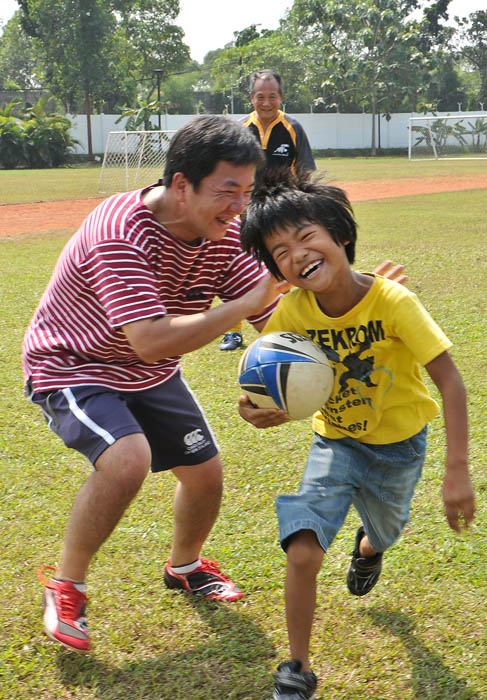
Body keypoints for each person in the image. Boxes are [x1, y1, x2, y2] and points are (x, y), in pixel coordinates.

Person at [23, 115, 290, 653]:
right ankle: (67, 585)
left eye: (247, 192)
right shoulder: (120, 229)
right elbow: (149, 338)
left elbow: (276, 318)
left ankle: (185, 567)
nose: (240, 206)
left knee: (205, 473)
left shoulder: (227, 234)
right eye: (227, 191)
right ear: (182, 184)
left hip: (149, 371)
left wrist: (359, 306)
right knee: (127, 459)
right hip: (75, 363)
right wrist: (242, 307)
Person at [238, 167, 475, 699]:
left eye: (305, 237)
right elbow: (262, 377)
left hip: (399, 448)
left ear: (340, 235)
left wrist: (456, 472)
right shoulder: (293, 311)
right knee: (303, 547)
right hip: (336, 442)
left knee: (384, 530)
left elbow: (451, 383)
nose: (295, 254)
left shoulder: (393, 302)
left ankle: (369, 549)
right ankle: (296, 670)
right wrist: (255, 409)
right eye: (279, 252)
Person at [220, 68, 316, 352]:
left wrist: (303, 209)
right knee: (234, 268)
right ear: (251, 98)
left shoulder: (293, 129)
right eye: (260, 96)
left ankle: (295, 324)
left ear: (281, 97)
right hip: (243, 211)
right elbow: (227, 172)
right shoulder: (239, 130)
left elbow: (306, 173)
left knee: (286, 266)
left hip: (280, 211)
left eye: (272, 96)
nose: (266, 102)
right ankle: (233, 331)